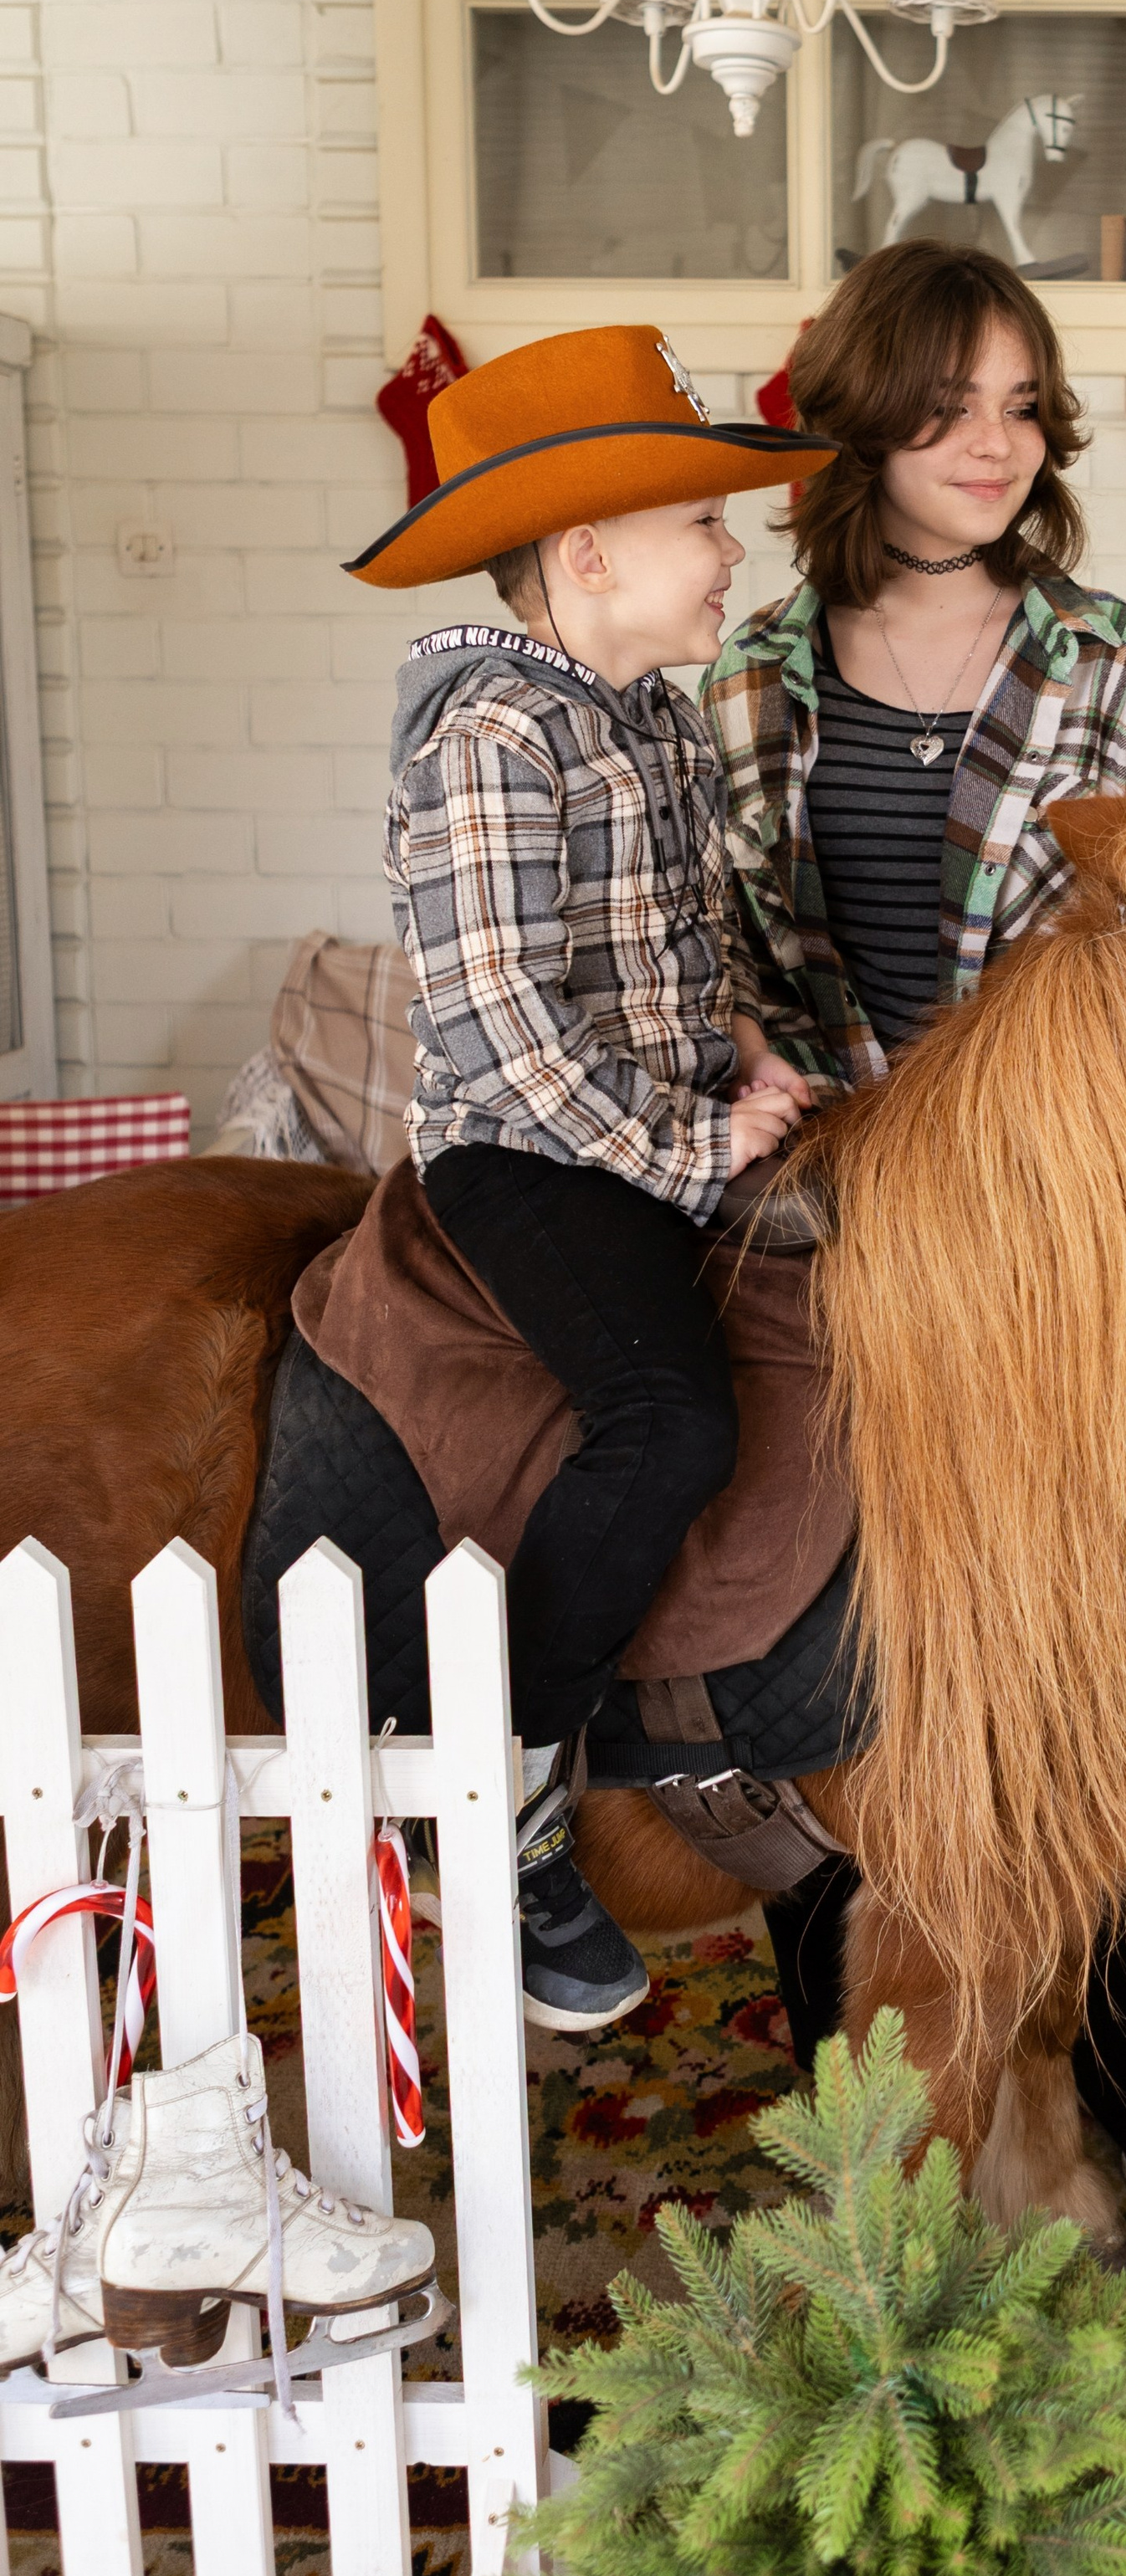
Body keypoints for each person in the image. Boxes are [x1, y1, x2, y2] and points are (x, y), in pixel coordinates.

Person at [706, 241, 1126, 2226]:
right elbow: (722, 951)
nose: (993, 445)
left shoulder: (1119, 662)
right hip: (829, 1221)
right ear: (864, 423)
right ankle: (870, 2115)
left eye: (1020, 407)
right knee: (836, 1664)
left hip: (1072, 1235)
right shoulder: (748, 677)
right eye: (947, 409)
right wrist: (759, 1069)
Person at [352, 322, 838, 2036]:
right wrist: (694, 1148)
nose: (734, 551)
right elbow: (499, 1023)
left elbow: (691, 950)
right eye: (704, 521)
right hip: (527, 1153)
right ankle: (497, 1785)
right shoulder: (491, 730)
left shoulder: (653, 720)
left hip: (654, 1120)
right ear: (587, 556)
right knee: (666, 1417)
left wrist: (750, 1051)